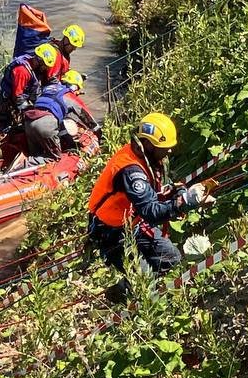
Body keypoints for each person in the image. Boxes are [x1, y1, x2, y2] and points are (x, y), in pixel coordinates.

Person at [86, 112, 217, 302]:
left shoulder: (148, 158)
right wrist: (184, 203)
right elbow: (152, 212)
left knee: (171, 260)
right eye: (164, 148)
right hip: (112, 233)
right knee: (143, 282)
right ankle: (121, 296)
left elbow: (162, 187)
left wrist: (179, 193)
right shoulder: (131, 171)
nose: (169, 152)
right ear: (148, 144)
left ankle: (157, 294)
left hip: (134, 224)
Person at [21, 69, 96, 164]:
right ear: (74, 87)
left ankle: (22, 169)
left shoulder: (48, 89)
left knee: (36, 154)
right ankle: (24, 164)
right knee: (54, 158)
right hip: (45, 125)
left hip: (28, 123)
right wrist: (98, 132)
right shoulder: (69, 96)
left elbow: (61, 125)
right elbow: (86, 117)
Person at [0, 42, 58, 130]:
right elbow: (17, 97)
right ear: (39, 61)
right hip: (9, 106)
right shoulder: (22, 71)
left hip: (21, 101)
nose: (45, 69)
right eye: (45, 66)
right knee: (8, 130)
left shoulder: (33, 68)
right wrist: (30, 110)